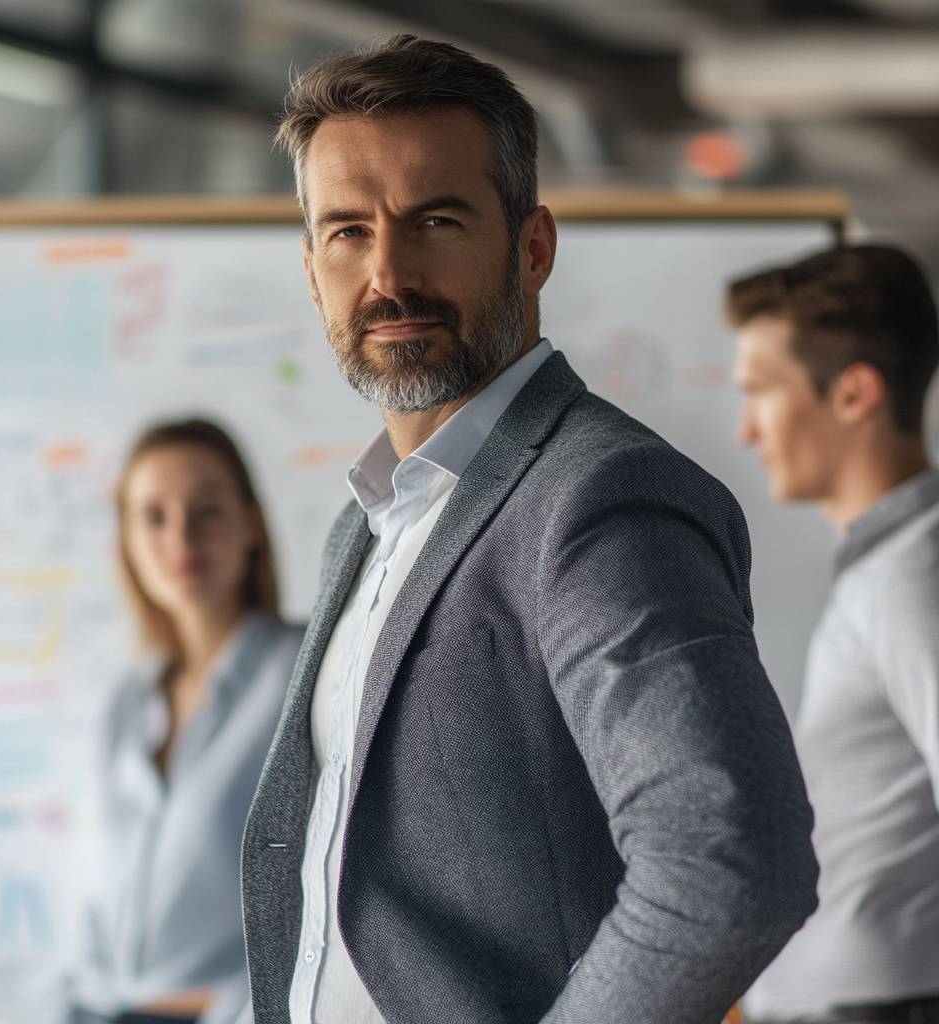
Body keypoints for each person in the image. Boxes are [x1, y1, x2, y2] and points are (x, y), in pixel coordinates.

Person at [240, 35, 818, 1024]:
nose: (388, 273)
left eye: (435, 219)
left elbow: (729, 859)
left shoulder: (598, 498)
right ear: (310, 269)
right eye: (347, 231)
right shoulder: (363, 525)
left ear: (533, 245)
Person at [728, 245, 939, 1024]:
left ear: (853, 394)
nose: (747, 430)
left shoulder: (914, 579)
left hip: (876, 1003)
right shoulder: (888, 565)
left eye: (761, 392)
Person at [68, 418, 303, 1024]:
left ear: (251, 524)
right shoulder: (127, 700)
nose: (181, 538)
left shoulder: (304, 673)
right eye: (153, 516)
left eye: (207, 510)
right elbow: (94, 897)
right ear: (124, 540)